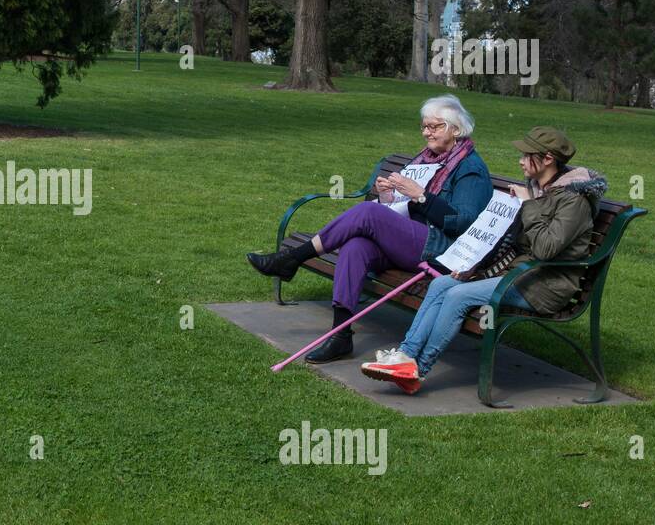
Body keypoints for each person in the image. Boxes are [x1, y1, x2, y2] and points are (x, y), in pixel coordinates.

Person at [247, 94, 493, 363]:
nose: (426, 133)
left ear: (455, 129)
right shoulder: (426, 158)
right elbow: (402, 205)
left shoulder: (470, 168)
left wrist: (421, 196)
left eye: (433, 127)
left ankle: (292, 258)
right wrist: (388, 194)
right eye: (424, 126)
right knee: (355, 247)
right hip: (409, 238)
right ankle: (340, 336)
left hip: (440, 248)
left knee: (368, 212)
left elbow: (464, 222)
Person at [362, 128, 607, 394]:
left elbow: (546, 249)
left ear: (547, 159)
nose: (520, 161)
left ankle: (418, 369)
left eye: (526, 155)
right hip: (521, 275)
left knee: (458, 297)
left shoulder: (573, 201)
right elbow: (511, 244)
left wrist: (529, 205)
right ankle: (405, 356)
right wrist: (474, 268)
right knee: (441, 284)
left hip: (547, 286)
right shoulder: (541, 190)